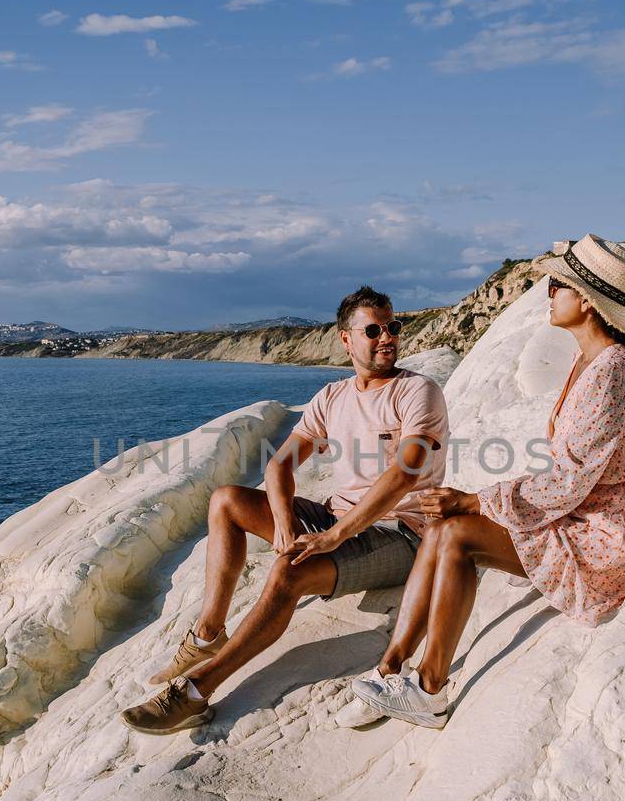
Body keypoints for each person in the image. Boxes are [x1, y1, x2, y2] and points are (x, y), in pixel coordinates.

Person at [348, 234, 625, 729]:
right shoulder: (592, 361)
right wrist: (473, 502)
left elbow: (568, 483)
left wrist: (477, 500)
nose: (548, 292)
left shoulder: (612, 371)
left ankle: (429, 689)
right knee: (440, 521)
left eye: (558, 284)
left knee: (457, 531)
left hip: (607, 536)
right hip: (584, 515)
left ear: (586, 300)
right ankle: (392, 666)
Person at [120, 285, 449, 735]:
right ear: (346, 340)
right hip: (340, 517)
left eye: (393, 326)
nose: (387, 337)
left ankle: (195, 692)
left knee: (288, 574)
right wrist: (283, 524)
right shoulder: (332, 397)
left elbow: (406, 473)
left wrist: (333, 537)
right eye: (373, 329)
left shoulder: (417, 391)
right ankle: (207, 635)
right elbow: (280, 466)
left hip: (402, 532)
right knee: (227, 501)